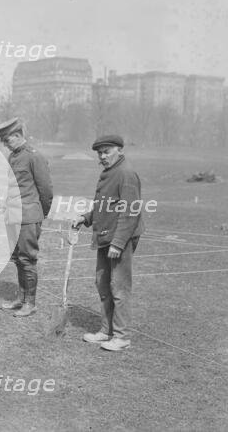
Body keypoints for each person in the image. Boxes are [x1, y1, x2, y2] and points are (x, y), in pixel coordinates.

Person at [72, 134, 145, 351]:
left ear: (119, 150)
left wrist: (119, 242)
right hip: (106, 236)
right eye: (100, 153)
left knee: (119, 287)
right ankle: (106, 331)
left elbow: (131, 212)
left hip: (120, 238)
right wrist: (85, 218)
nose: (102, 156)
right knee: (102, 283)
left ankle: (121, 337)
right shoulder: (109, 173)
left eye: (107, 151)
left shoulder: (126, 174)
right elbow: (105, 206)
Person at [0, 117, 53, 317]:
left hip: (28, 216)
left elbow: (46, 190)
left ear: (18, 136)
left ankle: (30, 303)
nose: (5, 144)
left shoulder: (34, 157)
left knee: (27, 259)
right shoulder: (13, 157)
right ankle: (21, 297)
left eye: (7, 140)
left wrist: (38, 214)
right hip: (13, 216)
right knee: (18, 259)